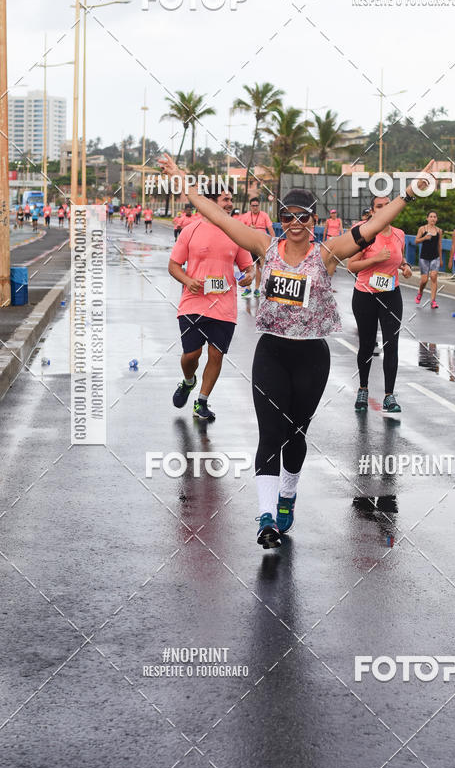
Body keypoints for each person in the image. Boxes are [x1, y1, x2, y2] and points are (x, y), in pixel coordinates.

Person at [158, 151, 435, 550]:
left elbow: (375, 224)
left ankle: (288, 495)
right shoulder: (263, 245)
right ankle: (267, 516)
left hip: (311, 357)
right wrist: (181, 177)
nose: (294, 224)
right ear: (280, 219)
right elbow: (215, 215)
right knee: (270, 434)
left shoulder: (327, 253)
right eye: (287, 216)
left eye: (303, 216)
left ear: (313, 220)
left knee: (295, 434)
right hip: (271, 352)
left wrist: (411, 191)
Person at [168, 188, 254, 422]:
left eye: (230, 199)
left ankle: (202, 402)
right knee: (191, 354)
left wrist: (250, 274)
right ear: (210, 203)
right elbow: (174, 265)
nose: (230, 203)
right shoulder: (190, 230)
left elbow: (248, 266)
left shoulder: (236, 233)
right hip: (193, 303)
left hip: (224, 306)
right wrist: (188, 280)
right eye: (225, 199)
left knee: (216, 355)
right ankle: (188, 381)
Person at [347, 195, 413, 414]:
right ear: (373, 211)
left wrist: (405, 266)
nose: (384, 209)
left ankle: (389, 396)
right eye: (379, 206)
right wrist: (375, 260)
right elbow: (351, 266)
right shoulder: (364, 233)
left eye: (388, 206)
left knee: (391, 344)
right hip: (365, 295)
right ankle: (363, 389)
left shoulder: (399, 234)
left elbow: (399, 258)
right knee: (367, 344)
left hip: (390, 295)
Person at [239, 197, 275, 298]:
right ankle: (248, 288)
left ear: (259, 206)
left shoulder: (264, 215)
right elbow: (240, 230)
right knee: (248, 267)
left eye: (256, 205)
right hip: (249, 244)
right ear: (250, 206)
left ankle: (257, 288)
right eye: (253, 206)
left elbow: (270, 229)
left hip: (260, 245)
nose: (255, 207)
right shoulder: (245, 216)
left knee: (259, 267)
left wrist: (274, 242)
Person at [415, 211, 443, 309]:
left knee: (434, 276)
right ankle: (420, 292)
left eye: (434, 217)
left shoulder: (439, 231)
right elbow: (416, 241)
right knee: (424, 280)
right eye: (431, 217)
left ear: (437, 219)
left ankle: (433, 301)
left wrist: (441, 259)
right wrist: (424, 238)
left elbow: (439, 245)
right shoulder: (422, 229)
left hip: (435, 257)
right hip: (424, 257)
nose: (433, 218)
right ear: (427, 218)